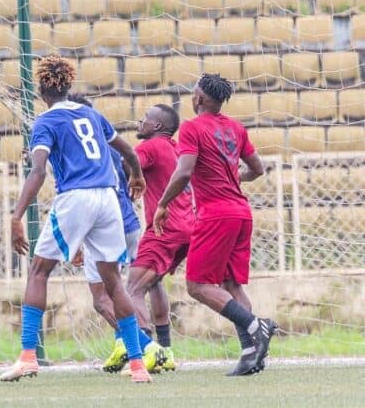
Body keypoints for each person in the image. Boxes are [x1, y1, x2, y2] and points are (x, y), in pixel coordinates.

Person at [0, 56, 150, 383]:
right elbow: (129, 151)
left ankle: (28, 357)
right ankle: (138, 364)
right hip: (109, 197)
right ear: (69, 85)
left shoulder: (45, 123)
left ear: (41, 90)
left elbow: (38, 171)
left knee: (39, 270)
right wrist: (136, 176)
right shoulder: (92, 115)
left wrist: (16, 215)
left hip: (76, 197)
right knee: (112, 279)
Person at [153, 74, 276, 377]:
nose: (191, 98)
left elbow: (183, 173)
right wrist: (234, 178)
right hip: (241, 212)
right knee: (231, 285)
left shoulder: (192, 128)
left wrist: (163, 204)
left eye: (193, 93)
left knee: (197, 285)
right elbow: (257, 169)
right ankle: (250, 353)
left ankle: (255, 325)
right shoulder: (235, 127)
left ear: (201, 99)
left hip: (216, 214)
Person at [64, 96, 166, 375]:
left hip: (101, 225)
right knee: (134, 287)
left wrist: (76, 238)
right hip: (128, 222)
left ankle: (146, 346)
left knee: (103, 298)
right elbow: (129, 171)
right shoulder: (108, 144)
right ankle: (140, 346)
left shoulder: (74, 147)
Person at [124, 103, 189, 373]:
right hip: (187, 227)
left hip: (164, 228)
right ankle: (167, 350)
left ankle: (148, 351)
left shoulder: (150, 147)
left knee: (131, 290)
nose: (141, 121)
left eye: (146, 119)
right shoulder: (176, 148)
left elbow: (126, 163)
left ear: (158, 126)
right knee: (152, 283)